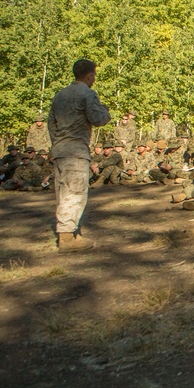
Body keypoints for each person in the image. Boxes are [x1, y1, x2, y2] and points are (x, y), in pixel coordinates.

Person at [48, 59, 111, 251]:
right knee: (74, 193)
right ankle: (66, 238)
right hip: (76, 151)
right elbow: (98, 119)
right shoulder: (87, 93)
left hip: (60, 150)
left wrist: (57, 144)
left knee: (62, 192)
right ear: (90, 75)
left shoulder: (60, 95)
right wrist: (106, 112)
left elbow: (52, 124)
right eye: (94, 76)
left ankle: (71, 232)